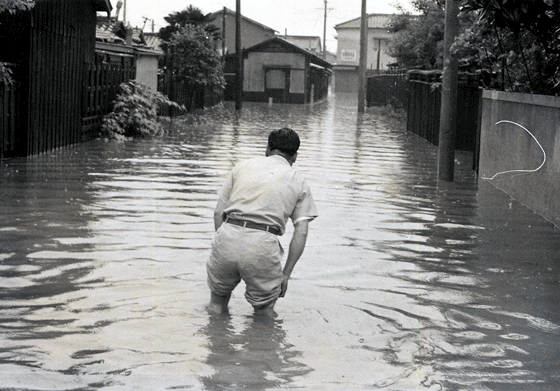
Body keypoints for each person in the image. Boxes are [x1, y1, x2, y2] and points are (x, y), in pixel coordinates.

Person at [206, 128, 318, 316]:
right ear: (295, 156)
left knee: (216, 306)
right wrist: (286, 274)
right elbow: (302, 231)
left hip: (228, 235)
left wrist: (223, 242)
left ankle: (216, 343)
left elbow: (218, 212)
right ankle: (261, 344)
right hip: (262, 244)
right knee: (265, 313)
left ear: (267, 148)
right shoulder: (299, 182)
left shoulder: (241, 167)